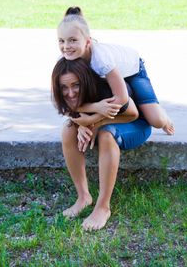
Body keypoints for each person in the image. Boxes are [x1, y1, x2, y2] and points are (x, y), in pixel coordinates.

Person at [51, 57, 152, 231]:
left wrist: (94, 124)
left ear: (85, 81)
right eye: (64, 87)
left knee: (106, 135)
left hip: (136, 124)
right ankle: (83, 197)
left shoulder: (105, 89)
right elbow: (72, 113)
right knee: (68, 130)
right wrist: (81, 123)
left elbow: (132, 114)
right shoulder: (63, 95)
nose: (71, 93)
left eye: (76, 85)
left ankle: (103, 207)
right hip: (108, 121)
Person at [57, 6, 175, 135]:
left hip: (134, 70)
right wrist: (96, 107)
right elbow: (63, 103)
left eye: (73, 40)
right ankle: (139, 107)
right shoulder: (65, 60)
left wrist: (94, 119)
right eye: (61, 41)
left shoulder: (101, 59)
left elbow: (122, 98)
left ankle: (161, 113)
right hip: (112, 77)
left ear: (87, 41)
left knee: (157, 121)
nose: (66, 46)